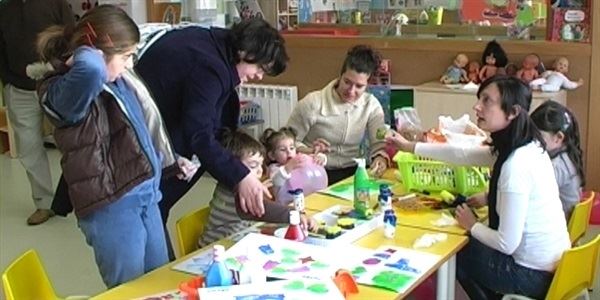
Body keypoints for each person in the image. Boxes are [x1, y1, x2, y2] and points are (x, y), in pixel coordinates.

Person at [36, 5, 197, 287]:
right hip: (114, 206)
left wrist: (169, 160)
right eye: (126, 56)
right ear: (96, 51)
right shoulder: (63, 90)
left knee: (158, 283)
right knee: (129, 289)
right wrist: (88, 50)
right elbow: (91, 68)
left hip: (145, 195)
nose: (130, 64)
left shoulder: (118, 79)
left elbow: (137, 134)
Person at [387, 76, 570, 299]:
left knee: (452, 249)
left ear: (512, 112)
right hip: (556, 268)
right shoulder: (528, 146)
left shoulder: (516, 166)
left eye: (486, 101)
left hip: (532, 276)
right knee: (464, 244)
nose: (477, 106)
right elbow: (461, 154)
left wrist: (472, 225)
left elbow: (507, 243)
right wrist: (410, 147)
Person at [134, 19, 289, 258]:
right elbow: (198, 134)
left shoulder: (214, 42)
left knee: (154, 218)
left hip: (155, 139)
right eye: (259, 68)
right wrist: (240, 176)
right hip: (142, 155)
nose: (259, 76)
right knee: (150, 223)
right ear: (245, 52)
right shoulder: (211, 67)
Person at [0, 0, 75, 225]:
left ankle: (82, 199)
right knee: (28, 148)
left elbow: (73, 37)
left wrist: (62, 71)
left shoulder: (56, 3)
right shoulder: (4, 9)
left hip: (56, 84)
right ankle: (44, 203)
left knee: (74, 144)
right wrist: (8, 81)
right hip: (19, 89)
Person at [286, 45, 388, 184]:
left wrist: (380, 158)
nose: (351, 91)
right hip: (316, 170)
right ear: (340, 76)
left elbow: (379, 144)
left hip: (353, 171)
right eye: (347, 82)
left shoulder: (371, 105)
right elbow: (287, 143)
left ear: (368, 85)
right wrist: (311, 151)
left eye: (359, 86)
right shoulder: (312, 103)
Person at [199, 129, 317, 248]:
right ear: (233, 168)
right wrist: (295, 215)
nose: (260, 170)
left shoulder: (227, 184)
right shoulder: (237, 192)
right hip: (213, 250)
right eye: (253, 166)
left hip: (231, 242)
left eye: (261, 165)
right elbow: (263, 210)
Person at [531, 101, 584, 221]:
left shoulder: (558, 166)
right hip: (565, 219)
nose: (532, 142)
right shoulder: (568, 153)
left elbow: (532, 191)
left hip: (557, 225)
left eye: (538, 137)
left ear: (558, 138)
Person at [260, 127, 326, 205]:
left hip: (309, 200)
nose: (289, 152)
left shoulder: (298, 159)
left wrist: (321, 157)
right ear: (272, 156)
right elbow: (276, 182)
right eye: (282, 150)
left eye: (291, 148)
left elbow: (314, 162)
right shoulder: (274, 168)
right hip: (286, 207)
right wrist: (288, 167)